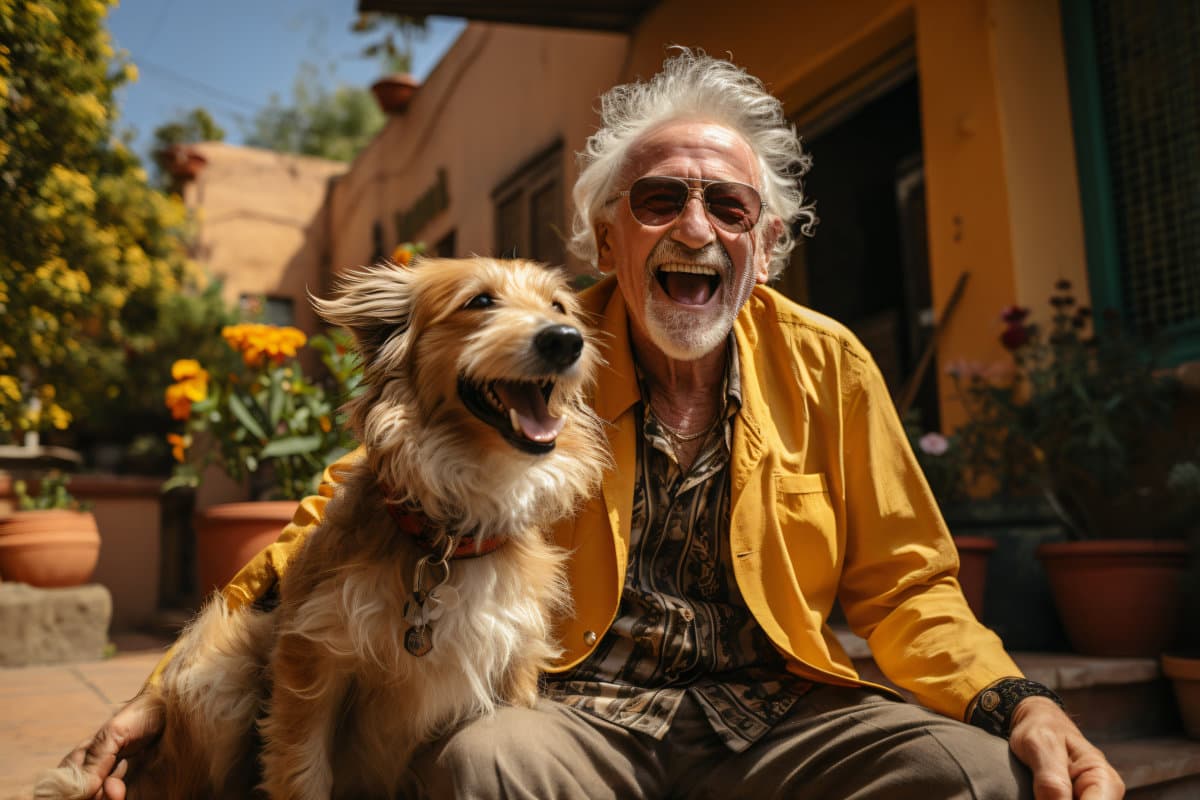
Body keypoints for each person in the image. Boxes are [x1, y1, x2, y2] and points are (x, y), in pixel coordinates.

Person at [62, 50, 1123, 799]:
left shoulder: (831, 366)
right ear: (608, 232)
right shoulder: (542, 341)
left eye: (731, 207)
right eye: (660, 199)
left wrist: (1015, 701)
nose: (696, 228)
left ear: (770, 241)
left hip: (776, 712)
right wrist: (167, 691)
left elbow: (908, 584)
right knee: (479, 767)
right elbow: (345, 510)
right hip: (581, 716)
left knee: (976, 776)